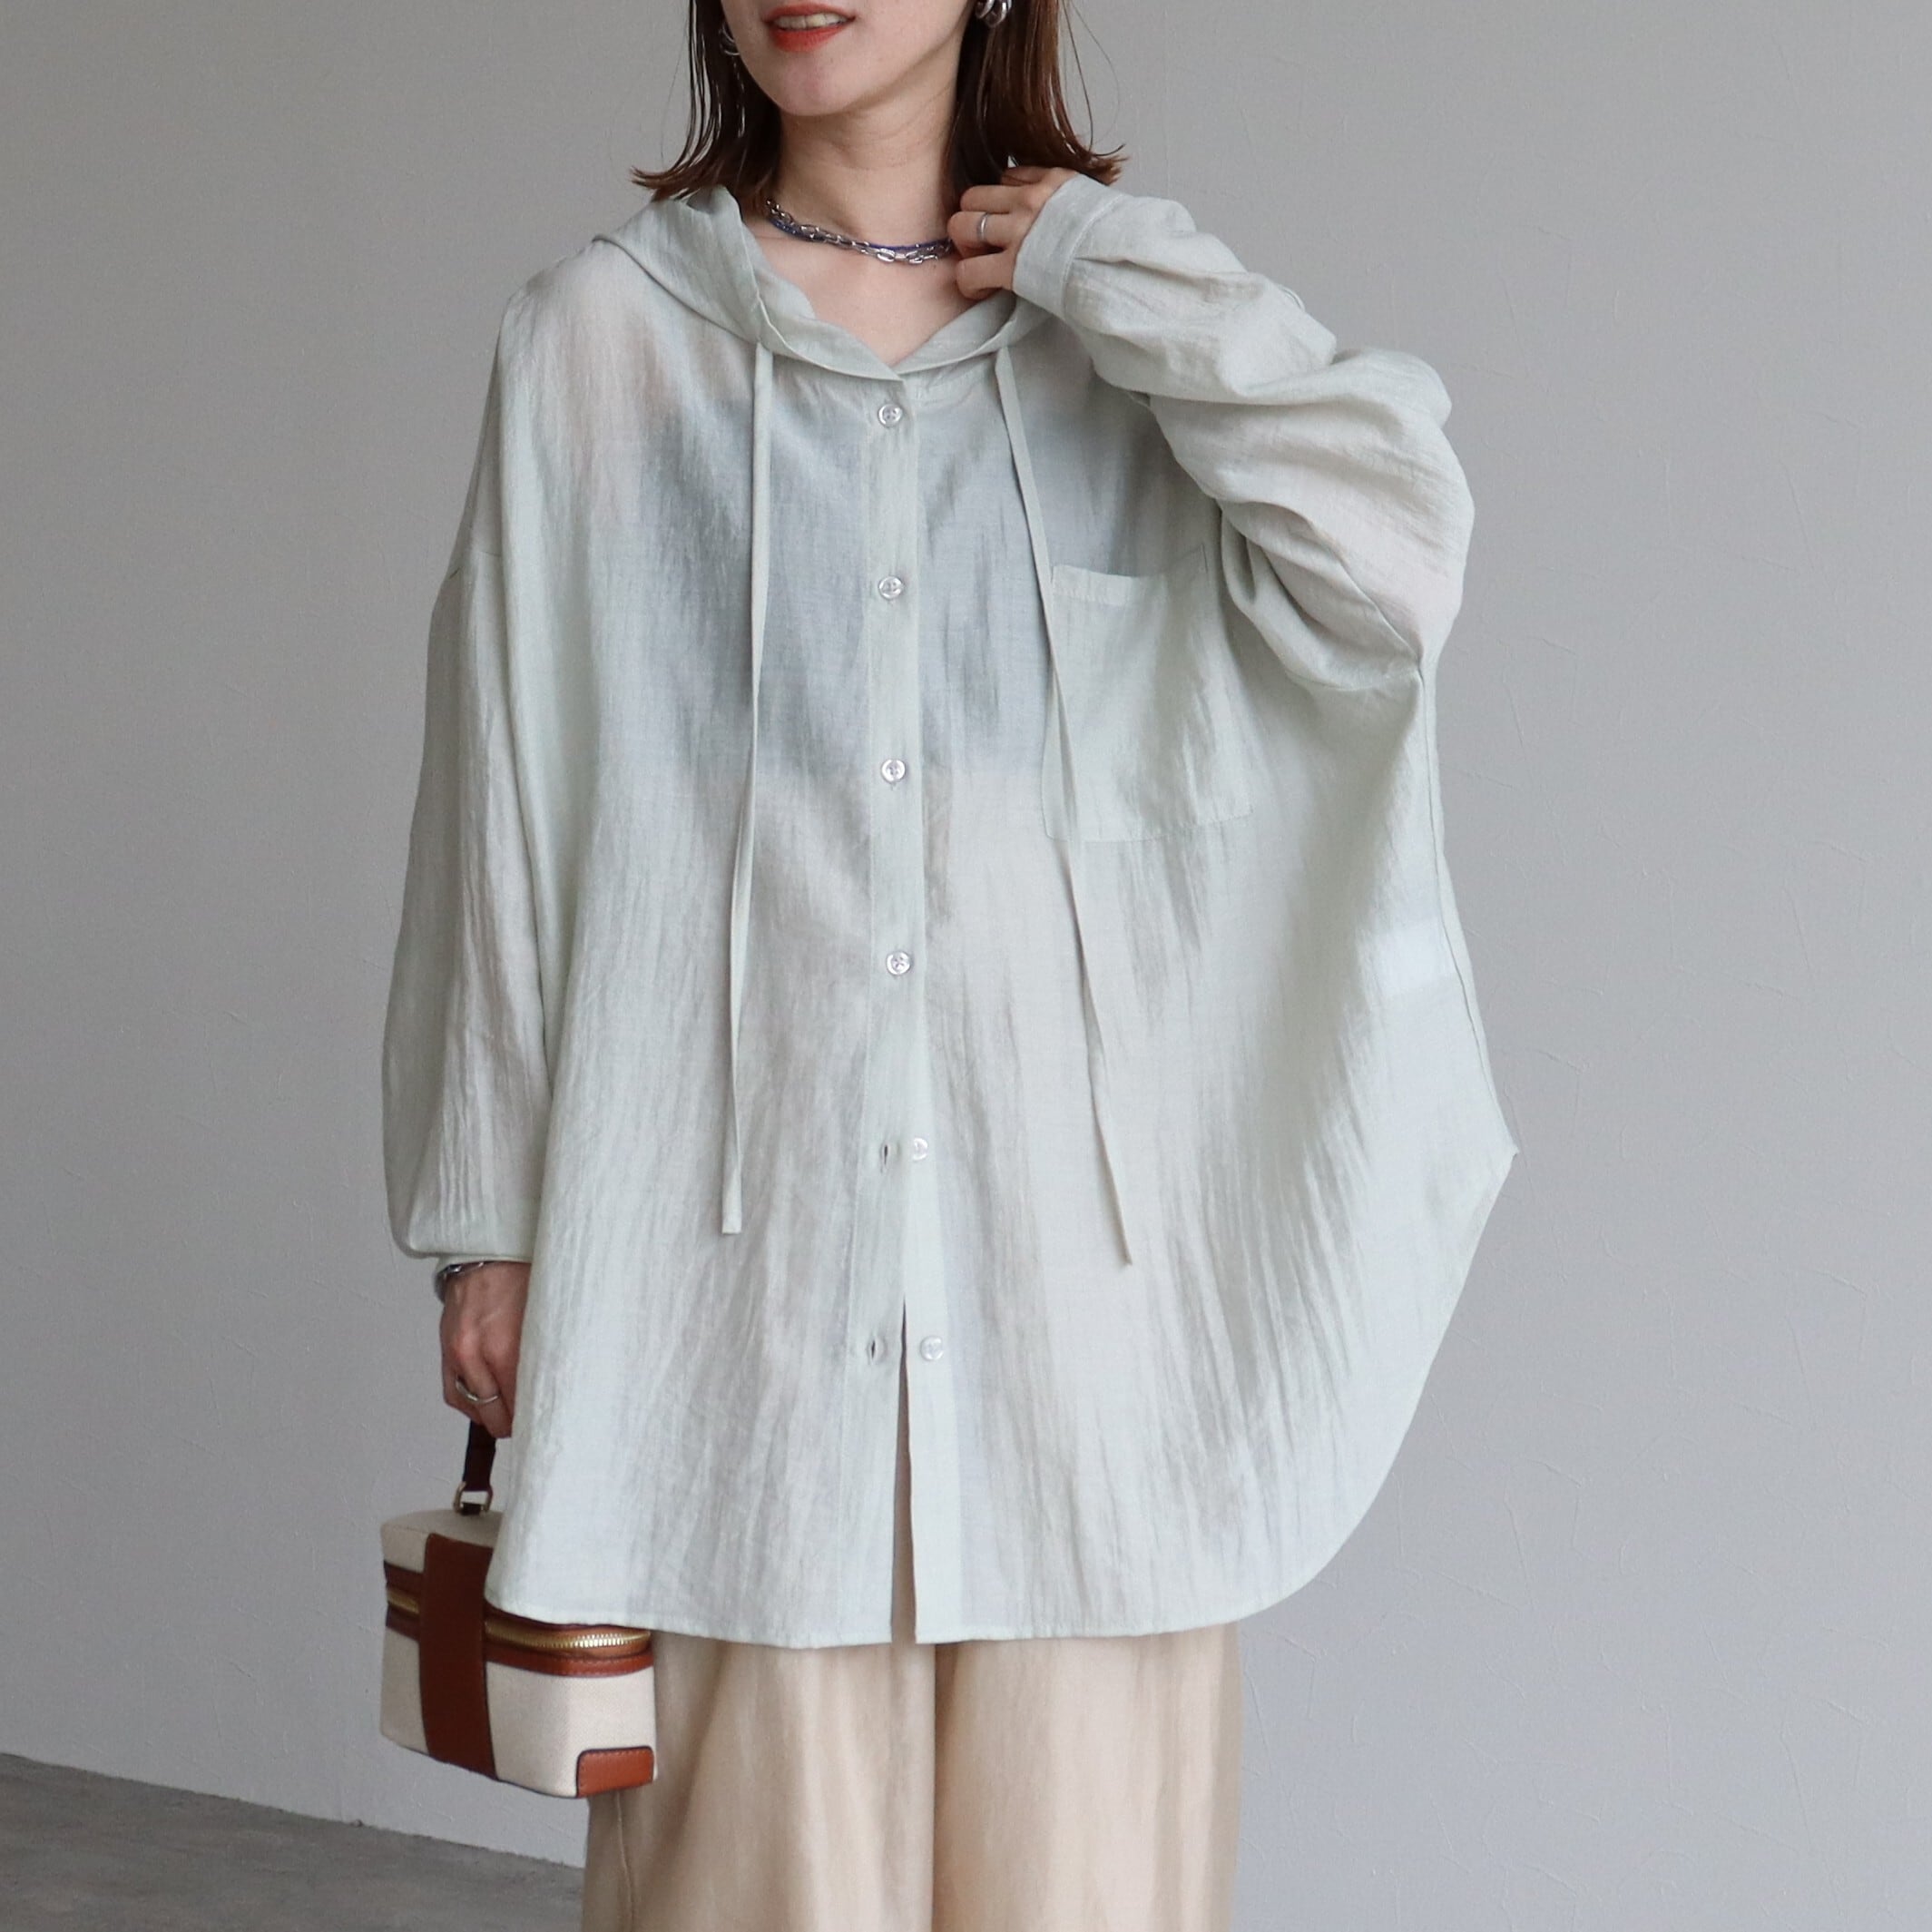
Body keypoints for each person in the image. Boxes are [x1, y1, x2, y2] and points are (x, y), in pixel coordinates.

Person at [380, 0, 1516, 1925]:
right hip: (741, 1320)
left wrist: (1115, 272)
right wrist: (485, 1217)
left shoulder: (1122, 343)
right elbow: (507, 783)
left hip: (1077, 1343)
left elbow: (1394, 560)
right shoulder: (601, 342)